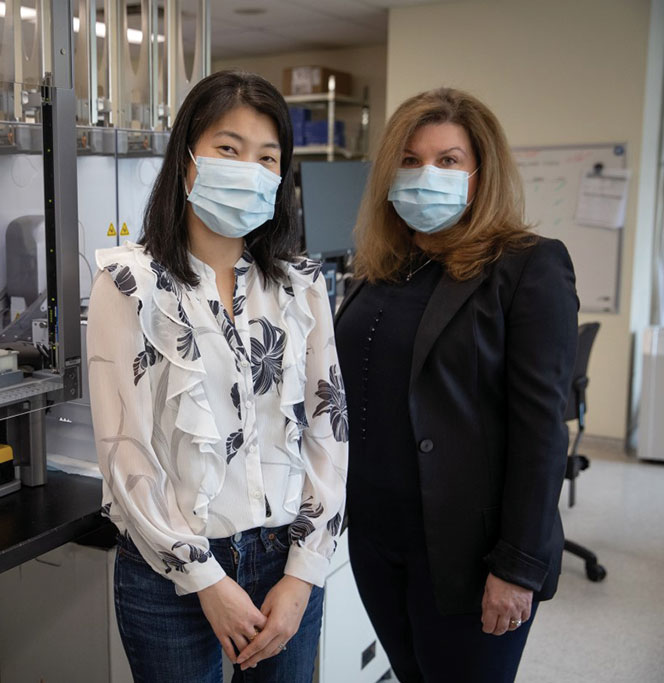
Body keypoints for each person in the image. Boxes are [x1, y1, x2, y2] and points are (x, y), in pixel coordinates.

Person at [86, 70, 348, 682]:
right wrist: (206, 580)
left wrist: (305, 572)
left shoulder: (301, 287)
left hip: (285, 562)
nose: (248, 170)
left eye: (267, 158)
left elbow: (328, 434)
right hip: (168, 576)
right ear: (187, 161)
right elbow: (124, 454)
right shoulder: (128, 284)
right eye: (229, 150)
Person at [335, 87, 578, 682]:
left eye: (448, 160)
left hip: (473, 554)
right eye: (411, 160)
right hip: (375, 540)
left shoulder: (527, 265)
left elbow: (542, 429)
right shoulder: (377, 269)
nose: (426, 175)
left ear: (480, 171)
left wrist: (518, 567)